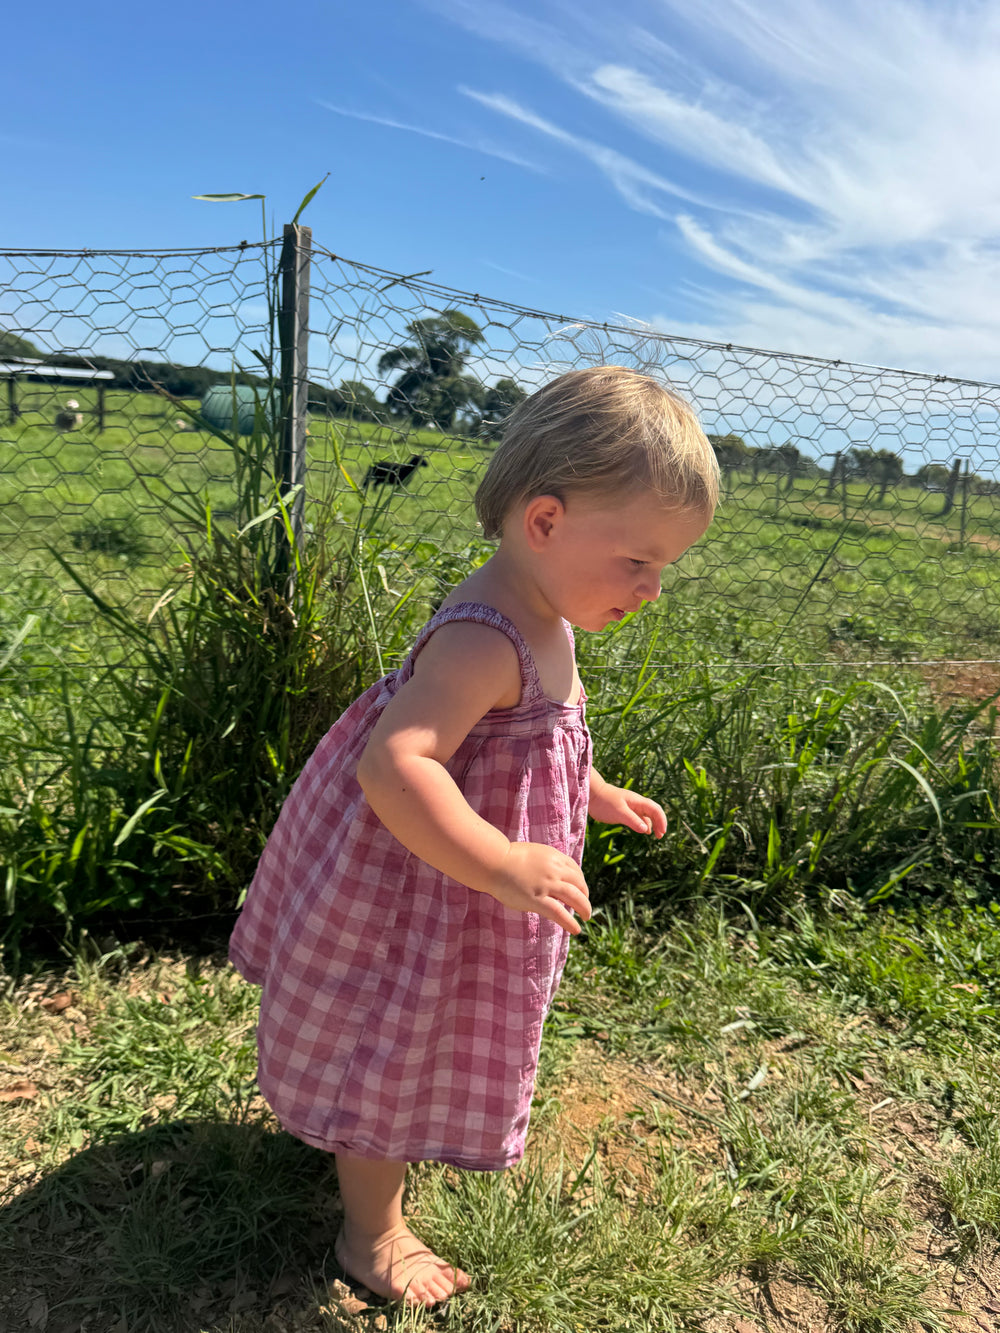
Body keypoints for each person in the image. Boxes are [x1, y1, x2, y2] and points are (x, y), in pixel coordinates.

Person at [228, 365, 719, 1308]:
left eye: (669, 567)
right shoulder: (486, 635)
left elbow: (531, 738)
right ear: (545, 522)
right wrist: (499, 860)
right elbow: (396, 764)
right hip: (421, 885)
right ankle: (371, 1231)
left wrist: (593, 789)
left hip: (460, 885)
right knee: (394, 1036)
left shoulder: (549, 609)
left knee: (430, 1032)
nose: (655, 588)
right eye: (640, 560)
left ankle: (398, 1150)